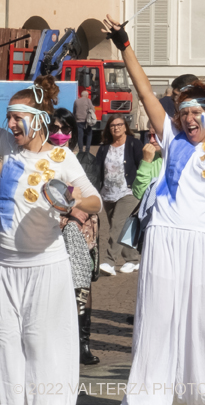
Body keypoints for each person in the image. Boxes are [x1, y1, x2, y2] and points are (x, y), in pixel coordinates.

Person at [103, 13, 205, 405]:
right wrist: (124, 45)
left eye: (194, 114)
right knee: (156, 317)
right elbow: (145, 92)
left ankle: (203, 395)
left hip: (203, 241)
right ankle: (148, 396)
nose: (187, 120)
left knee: (202, 323)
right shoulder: (171, 135)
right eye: (183, 115)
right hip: (164, 234)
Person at [1, 76, 102, 400]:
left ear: (39, 120)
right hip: (5, 270)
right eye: (9, 117)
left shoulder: (61, 158)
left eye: (18, 117)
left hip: (45, 269)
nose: (11, 123)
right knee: (5, 350)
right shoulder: (5, 146)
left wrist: (68, 202)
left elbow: (95, 201)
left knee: (44, 349)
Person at [53, 107, 102, 366]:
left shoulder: (83, 160)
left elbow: (90, 198)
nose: (59, 134)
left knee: (81, 285)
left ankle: (83, 343)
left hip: (78, 228)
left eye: (65, 128)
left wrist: (70, 212)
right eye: (55, 128)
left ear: (73, 131)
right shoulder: (45, 158)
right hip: (50, 230)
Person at [94, 114, 144, 275]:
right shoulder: (104, 147)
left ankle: (109, 261)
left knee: (117, 225)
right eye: (112, 125)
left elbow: (142, 165)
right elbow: (98, 170)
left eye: (119, 124)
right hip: (108, 193)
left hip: (128, 192)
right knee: (121, 228)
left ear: (125, 126)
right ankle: (132, 259)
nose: (116, 128)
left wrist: (142, 188)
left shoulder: (133, 143)